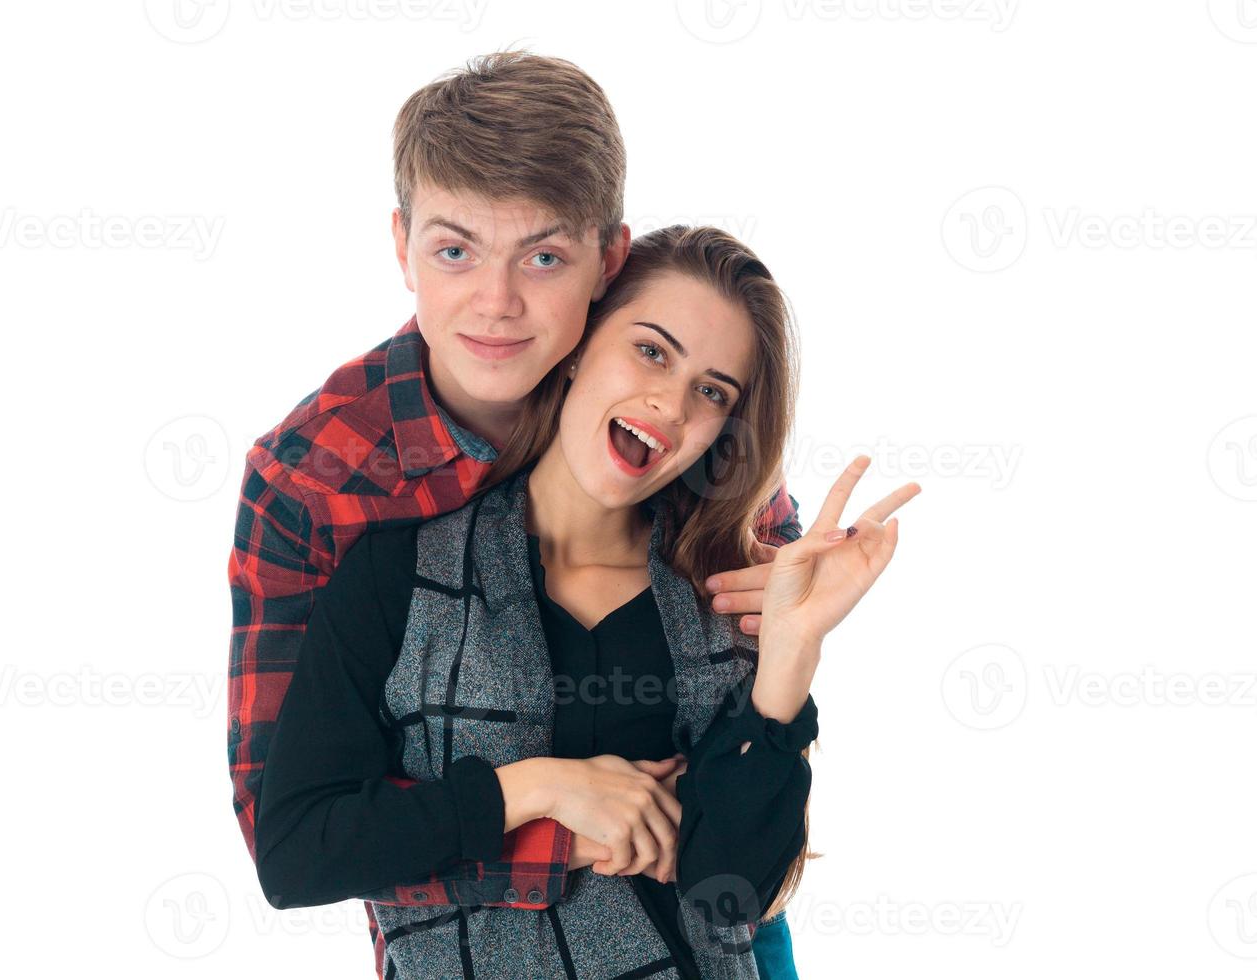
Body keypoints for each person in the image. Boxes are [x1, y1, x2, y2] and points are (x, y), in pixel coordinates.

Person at [225, 51, 811, 974]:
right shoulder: (317, 479)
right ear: (401, 245)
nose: (495, 306)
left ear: (608, 262)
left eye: (542, 256)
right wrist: (554, 816)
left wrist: (789, 645)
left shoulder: (692, 446)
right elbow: (297, 839)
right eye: (454, 250)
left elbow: (749, 819)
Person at [253, 225, 922, 978]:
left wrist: (792, 654)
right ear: (578, 348)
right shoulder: (397, 573)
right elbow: (297, 852)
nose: (669, 404)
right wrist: (541, 789)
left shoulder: (723, 591)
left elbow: (733, 891)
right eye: (651, 350)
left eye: (710, 391)